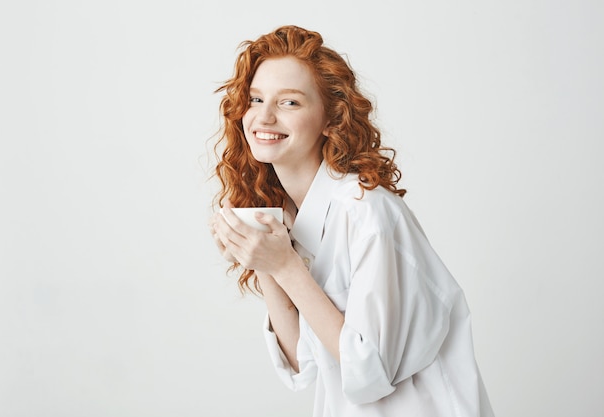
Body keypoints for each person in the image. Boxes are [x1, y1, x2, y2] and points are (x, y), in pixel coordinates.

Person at [209, 25, 494, 417]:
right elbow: (301, 367)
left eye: (289, 102)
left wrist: (285, 266)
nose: (264, 116)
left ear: (331, 118)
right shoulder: (295, 216)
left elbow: (368, 373)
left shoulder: (368, 212)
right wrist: (263, 261)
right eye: (256, 99)